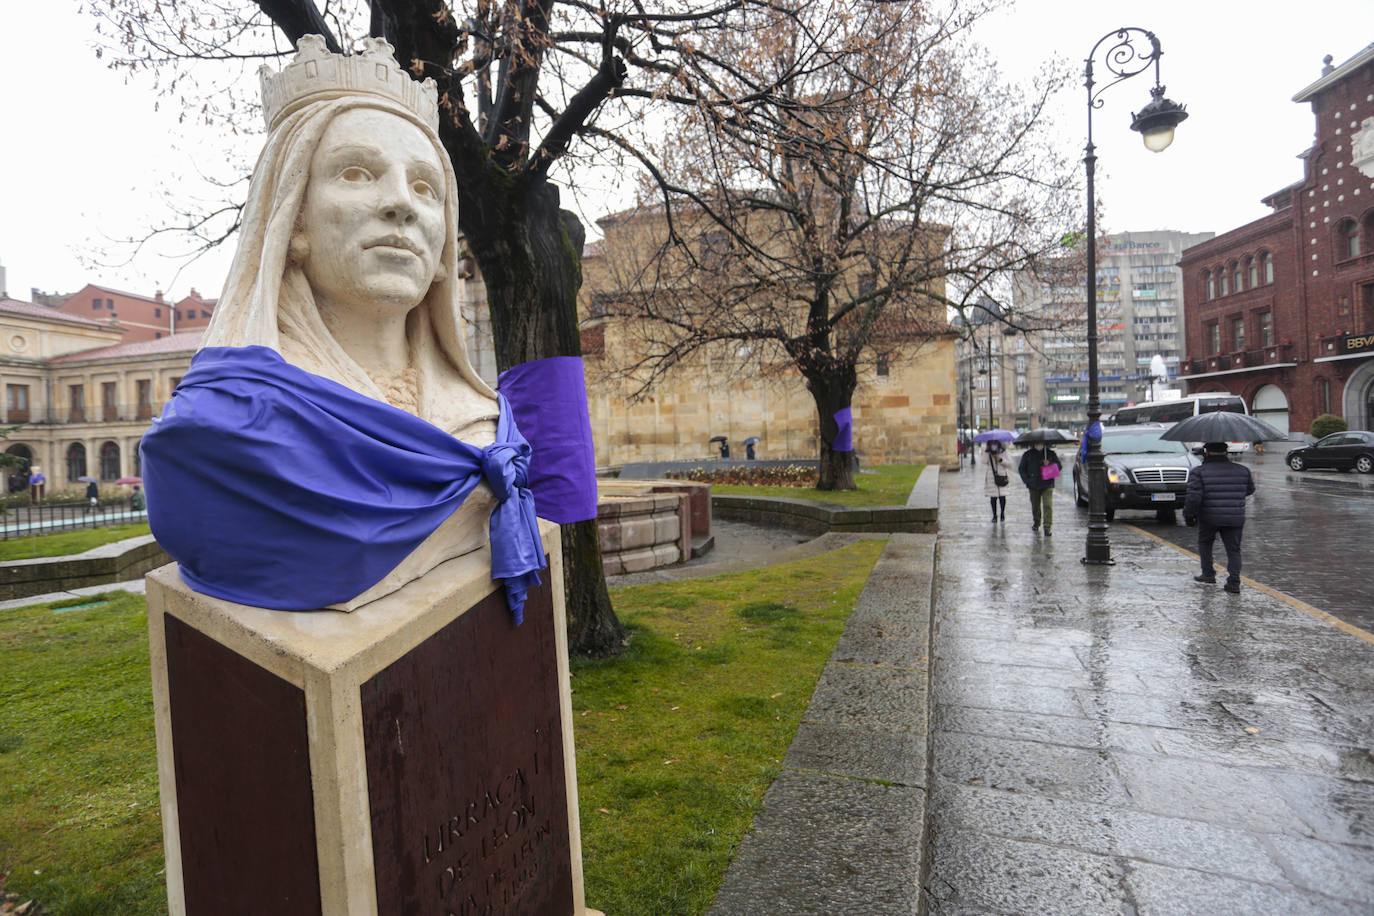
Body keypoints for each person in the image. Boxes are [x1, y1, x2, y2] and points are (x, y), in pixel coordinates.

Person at [139, 36, 546, 620]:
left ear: (441, 252)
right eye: (357, 173)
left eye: (427, 188)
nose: (401, 205)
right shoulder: (221, 431)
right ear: (292, 218)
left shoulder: (481, 420)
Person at [1183, 441, 1255, 594]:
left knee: (1205, 543)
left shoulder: (1199, 471)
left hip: (1209, 517)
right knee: (1234, 550)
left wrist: (1189, 515)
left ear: (1206, 453)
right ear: (1227, 453)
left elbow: (1194, 497)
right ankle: (1234, 582)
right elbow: (1249, 490)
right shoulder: (1243, 470)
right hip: (1235, 517)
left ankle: (1208, 574)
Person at [1018, 439, 1062, 535]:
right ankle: (1036, 522)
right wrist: (1027, 481)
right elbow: (1021, 469)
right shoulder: (1028, 454)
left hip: (1047, 483)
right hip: (1033, 484)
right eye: (1037, 442)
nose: (1039, 444)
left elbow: (1059, 466)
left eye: (1041, 442)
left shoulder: (1050, 453)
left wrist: (1049, 464)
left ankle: (1047, 526)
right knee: (1035, 506)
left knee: (1048, 505)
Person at [983, 441, 1011, 521]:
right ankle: (994, 515)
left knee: (1002, 497)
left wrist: (1001, 460)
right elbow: (983, 461)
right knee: (993, 498)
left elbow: (1009, 464)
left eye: (995, 442)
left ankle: (1002, 513)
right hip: (991, 476)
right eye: (992, 443)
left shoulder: (1003, 452)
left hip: (1002, 476)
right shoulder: (987, 452)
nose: (993, 444)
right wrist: (987, 452)